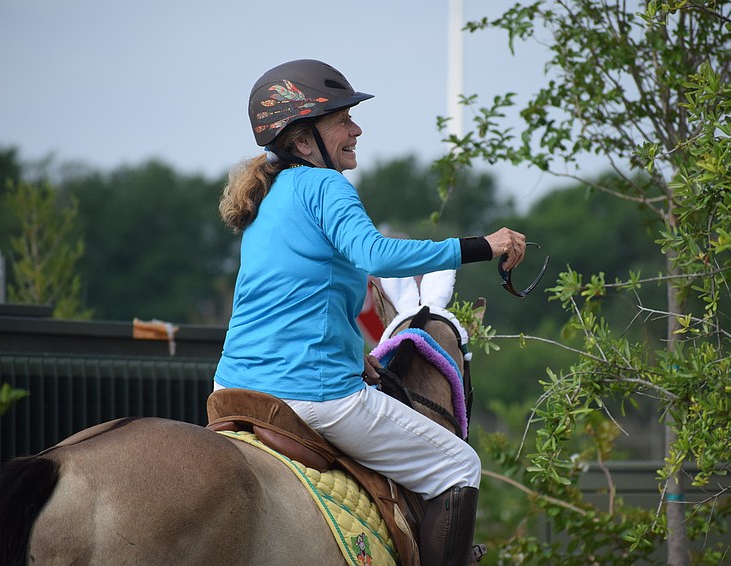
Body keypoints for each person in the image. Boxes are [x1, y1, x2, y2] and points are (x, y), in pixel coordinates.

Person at [213, 59, 526, 566]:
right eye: (341, 118)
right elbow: (377, 256)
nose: (356, 128)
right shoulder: (326, 186)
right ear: (301, 139)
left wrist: (354, 354)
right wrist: (481, 246)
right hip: (310, 397)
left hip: (231, 389)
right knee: (459, 465)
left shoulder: (268, 197)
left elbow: (292, 299)